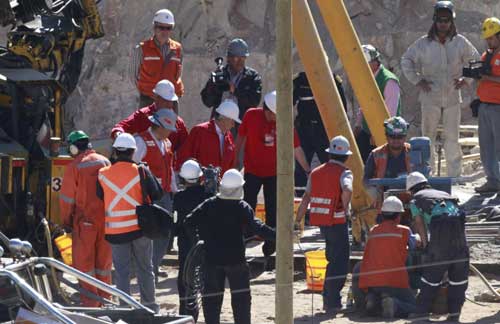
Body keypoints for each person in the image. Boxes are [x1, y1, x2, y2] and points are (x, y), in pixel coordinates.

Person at [184, 169, 275, 324]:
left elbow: (188, 222)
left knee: (211, 300)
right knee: (241, 300)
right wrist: (277, 235)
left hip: (212, 260)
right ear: (240, 188)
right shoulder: (242, 207)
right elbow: (257, 227)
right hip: (236, 261)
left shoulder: (209, 204)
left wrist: (199, 239)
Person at [401, 1, 479, 177]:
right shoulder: (423, 44)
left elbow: (474, 61)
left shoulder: (460, 43)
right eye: (440, 20)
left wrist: (465, 80)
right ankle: (426, 175)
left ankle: (454, 175)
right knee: (427, 136)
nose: (443, 23)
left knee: (452, 138)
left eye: (447, 20)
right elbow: (406, 60)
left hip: (452, 98)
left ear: (452, 22)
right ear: (435, 20)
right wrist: (417, 80)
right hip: (430, 98)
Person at [235, 90, 310, 260]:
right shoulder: (251, 116)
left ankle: (270, 246)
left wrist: (307, 169)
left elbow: (296, 148)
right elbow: (240, 139)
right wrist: (235, 163)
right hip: (252, 170)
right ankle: (244, 239)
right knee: (247, 205)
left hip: (273, 174)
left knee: (272, 209)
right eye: (273, 114)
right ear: (266, 110)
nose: (276, 117)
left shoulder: (284, 122)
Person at [97, 133, 162, 312]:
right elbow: (157, 194)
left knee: (121, 272)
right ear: (133, 152)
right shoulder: (141, 171)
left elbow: (100, 196)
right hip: (140, 228)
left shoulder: (103, 174)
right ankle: (149, 306)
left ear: (116, 152)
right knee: (145, 268)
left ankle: (125, 307)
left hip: (115, 231)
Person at [295, 135, 353, 313]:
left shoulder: (316, 172)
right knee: (339, 262)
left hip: (322, 223)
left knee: (332, 259)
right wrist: (345, 209)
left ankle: (329, 299)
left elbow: (305, 198)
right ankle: (332, 301)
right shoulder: (345, 173)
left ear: (330, 154)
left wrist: (297, 221)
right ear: (346, 156)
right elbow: (348, 189)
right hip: (337, 222)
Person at [59, 130, 112, 307]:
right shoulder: (104, 161)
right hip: (106, 222)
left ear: (74, 148)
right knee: (103, 265)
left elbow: (67, 199)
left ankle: (91, 303)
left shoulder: (75, 167)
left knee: (84, 266)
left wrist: (65, 222)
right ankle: (106, 300)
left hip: (85, 223)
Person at [407, 172, 468, 322]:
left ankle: (421, 314)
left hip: (441, 237)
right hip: (460, 237)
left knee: (431, 277)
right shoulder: (445, 195)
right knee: (458, 279)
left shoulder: (416, 200)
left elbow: (419, 223)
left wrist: (426, 246)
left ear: (411, 189)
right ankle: (454, 316)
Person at [353, 196, 420, 319]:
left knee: (359, 268)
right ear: (399, 216)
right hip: (395, 280)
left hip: (371, 282)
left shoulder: (373, 231)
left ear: (382, 215)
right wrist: (418, 238)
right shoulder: (405, 231)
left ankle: (373, 299)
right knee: (418, 307)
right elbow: (415, 245)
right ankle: (395, 304)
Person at [132, 108, 178, 280]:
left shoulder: (167, 144)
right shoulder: (140, 142)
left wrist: (174, 189)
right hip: (148, 197)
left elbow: (170, 169)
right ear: (160, 126)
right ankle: (145, 271)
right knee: (148, 235)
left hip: (165, 194)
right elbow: (131, 169)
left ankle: (154, 266)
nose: (170, 133)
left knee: (164, 233)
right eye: (168, 129)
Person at [358, 116, 411, 246]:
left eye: (400, 137)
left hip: (409, 204)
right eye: (393, 137)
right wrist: (374, 194)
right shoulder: (376, 154)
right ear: (387, 136)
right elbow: (366, 180)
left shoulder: (414, 152)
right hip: (385, 207)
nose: (396, 141)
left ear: (405, 137)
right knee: (384, 242)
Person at [293, 71, 348, 194]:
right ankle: (300, 195)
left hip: (324, 130)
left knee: (330, 164)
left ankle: (331, 193)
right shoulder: (300, 80)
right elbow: (288, 102)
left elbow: (342, 108)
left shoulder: (333, 80)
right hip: (304, 129)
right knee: (300, 166)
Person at [174, 159, 211, 321]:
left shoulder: (179, 197)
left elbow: (175, 226)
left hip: (186, 245)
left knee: (185, 280)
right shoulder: (208, 195)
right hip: (205, 245)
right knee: (205, 280)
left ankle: (185, 314)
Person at [111, 79, 188, 153]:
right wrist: (119, 135)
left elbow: (185, 149)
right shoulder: (143, 115)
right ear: (156, 98)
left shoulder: (178, 123)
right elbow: (120, 127)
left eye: (170, 101)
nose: (169, 105)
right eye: (165, 101)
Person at [355, 45, 402, 162]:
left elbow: (390, 111)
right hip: (367, 131)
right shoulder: (367, 78)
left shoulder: (389, 81)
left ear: (375, 63)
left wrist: (378, 133)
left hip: (386, 135)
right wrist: (358, 124)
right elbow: (364, 103)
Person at [130, 9, 184, 108]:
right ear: (154, 27)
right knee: (145, 124)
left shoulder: (178, 49)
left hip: (170, 100)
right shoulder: (142, 49)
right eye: (161, 27)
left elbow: (179, 73)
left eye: (168, 28)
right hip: (149, 99)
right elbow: (134, 76)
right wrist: (146, 91)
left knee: (173, 124)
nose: (165, 31)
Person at [201, 38, 262, 120]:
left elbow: (254, 102)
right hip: (220, 123)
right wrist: (213, 86)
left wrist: (235, 90)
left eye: (243, 58)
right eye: (237, 58)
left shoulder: (252, 77)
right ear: (228, 58)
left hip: (241, 124)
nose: (240, 62)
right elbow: (207, 102)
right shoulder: (219, 75)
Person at [176, 100, 241, 173]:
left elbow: (231, 165)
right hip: (200, 183)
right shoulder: (199, 131)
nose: (233, 125)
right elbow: (184, 157)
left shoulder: (229, 136)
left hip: (222, 183)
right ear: (223, 118)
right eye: (232, 121)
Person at [474, 17, 500, 193]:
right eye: (487, 38)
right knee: (486, 145)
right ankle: (492, 180)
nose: (489, 41)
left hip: (498, 107)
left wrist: (487, 77)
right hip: (485, 106)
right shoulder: (487, 55)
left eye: (491, 38)